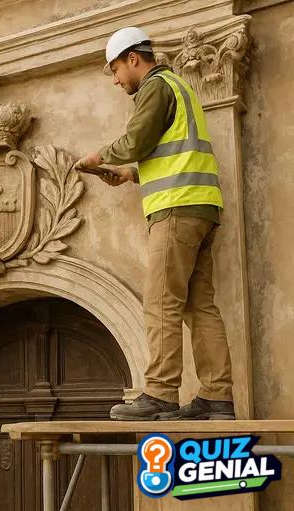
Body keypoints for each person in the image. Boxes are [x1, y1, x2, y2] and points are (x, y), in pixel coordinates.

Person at [75, 27, 234, 421]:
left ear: (133, 58)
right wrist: (130, 175)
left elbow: (137, 139)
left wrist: (98, 156)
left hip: (176, 209)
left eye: (114, 69)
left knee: (162, 301)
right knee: (200, 306)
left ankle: (161, 393)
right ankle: (217, 397)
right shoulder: (178, 88)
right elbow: (173, 152)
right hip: (200, 206)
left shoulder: (155, 86)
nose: (115, 80)